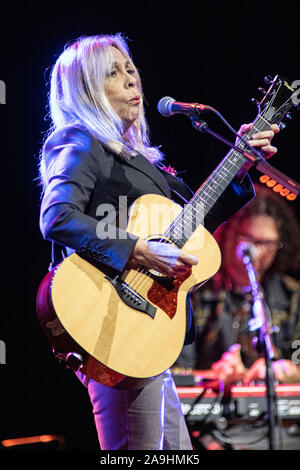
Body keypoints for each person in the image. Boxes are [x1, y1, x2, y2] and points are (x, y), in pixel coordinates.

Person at [38, 33, 279, 450]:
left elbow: (195, 223)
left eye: (130, 68)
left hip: (146, 324)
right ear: (87, 90)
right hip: (111, 319)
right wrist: (137, 249)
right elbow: (57, 216)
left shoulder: (143, 164)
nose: (132, 79)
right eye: (113, 73)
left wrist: (241, 166)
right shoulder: (79, 140)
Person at [176, 184, 300, 385]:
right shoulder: (195, 290)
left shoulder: (291, 295)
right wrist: (215, 375)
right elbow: (174, 373)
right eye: (249, 240)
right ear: (230, 234)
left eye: (267, 243)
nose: (257, 252)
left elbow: (297, 360)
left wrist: (288, 370)